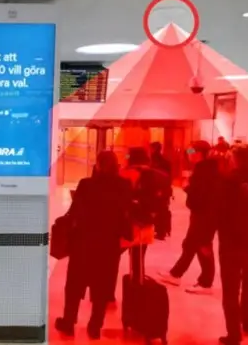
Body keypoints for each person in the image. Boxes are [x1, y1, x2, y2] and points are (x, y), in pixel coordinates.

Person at [54, 151, 131, 339]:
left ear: (97, 165)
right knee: (102, 288)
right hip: (109, 245)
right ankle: (95, 326)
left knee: (74, 285)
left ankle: (68, 322)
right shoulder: (124, 186)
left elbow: (76, 213)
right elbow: (125, 214)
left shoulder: (86, 184)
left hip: (84, 243)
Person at [158, 140, 221, 294]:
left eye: (191, 152)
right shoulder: (209, 168)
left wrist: (188, 188)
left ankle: (205, 282)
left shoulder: (204, 170)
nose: (189, 155)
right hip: (205, 214)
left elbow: (201, 195)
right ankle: (177, 274)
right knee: (192, 245)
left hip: (205, 215)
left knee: (201, 246)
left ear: (200, 153)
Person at [217, 144, 248, 345]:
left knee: (231, 291)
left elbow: (217, 212)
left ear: (236, 159)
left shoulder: (229, 182)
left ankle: (233, 334)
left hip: (231, 245)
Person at [120, 147, 171, 280]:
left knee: (114, 254)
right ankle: (138, 280)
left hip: (127, 220)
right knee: (139, 254)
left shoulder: (125, 173)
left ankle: (106, 292)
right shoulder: (160, 175)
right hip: (147, 220)